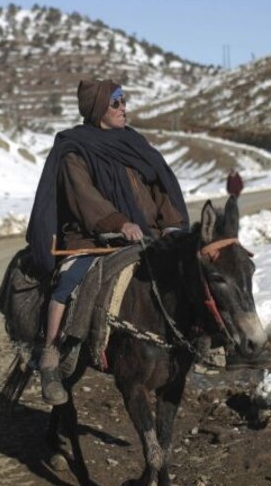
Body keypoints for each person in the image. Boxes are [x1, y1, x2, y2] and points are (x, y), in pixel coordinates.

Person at [25, 80, 188, 405]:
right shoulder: (74, 149)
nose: (123, 108)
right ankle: (51, 356)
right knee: (68, 284)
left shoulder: (134, 143)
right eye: (116, 103)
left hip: (146, 235)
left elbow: (159, 185)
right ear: (98, 108)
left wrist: (171, 225)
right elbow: (83, 197)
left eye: (124, 101)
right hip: (93, 235)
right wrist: (118, 223)